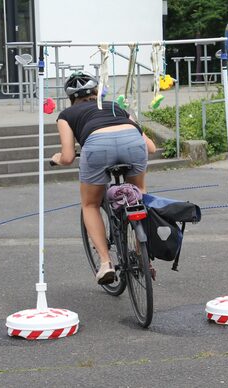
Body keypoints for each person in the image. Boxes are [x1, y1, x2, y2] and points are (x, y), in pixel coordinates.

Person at [51, 71, 156, 285]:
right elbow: (151, 148)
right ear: (98, 92)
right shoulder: (117, 107)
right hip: (132, 142)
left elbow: (69, 156)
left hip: (98, 147)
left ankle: (106, 264)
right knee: (140, 193)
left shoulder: (67, 115)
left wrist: (56, 158)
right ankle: (142, 253)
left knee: (90, 204)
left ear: (71, 99)